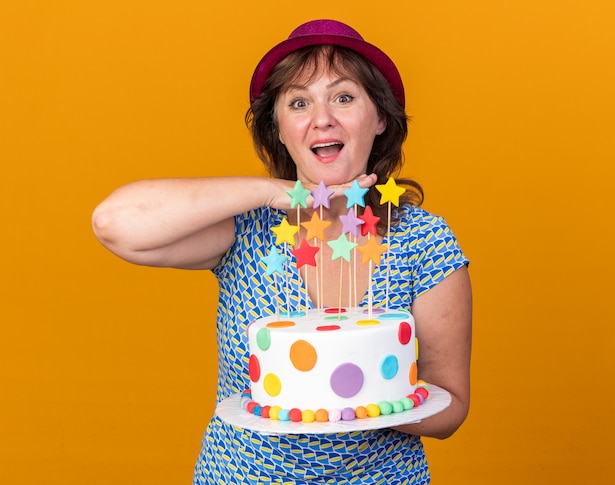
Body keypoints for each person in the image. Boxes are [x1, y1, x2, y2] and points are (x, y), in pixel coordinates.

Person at [93, 19, 472, 485]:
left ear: (379, 119)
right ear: (280, 129)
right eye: (298, 102)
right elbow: (114, 223)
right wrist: (276, 193)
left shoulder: (423, 241)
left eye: (344, 97)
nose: (322, 118)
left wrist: (354, 397)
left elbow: (450, 406)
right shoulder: (248, 229)